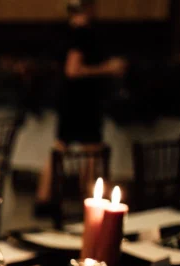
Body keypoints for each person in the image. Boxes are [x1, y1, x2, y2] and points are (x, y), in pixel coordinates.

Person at [36, 0, 127, 208]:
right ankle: (84, 197)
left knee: (66, 147)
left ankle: (47, 197)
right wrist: (108, 68)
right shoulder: (81, 35)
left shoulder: (68, 33)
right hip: (81, 101)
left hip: (73, 99)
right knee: (88, 150)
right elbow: (73, 70)